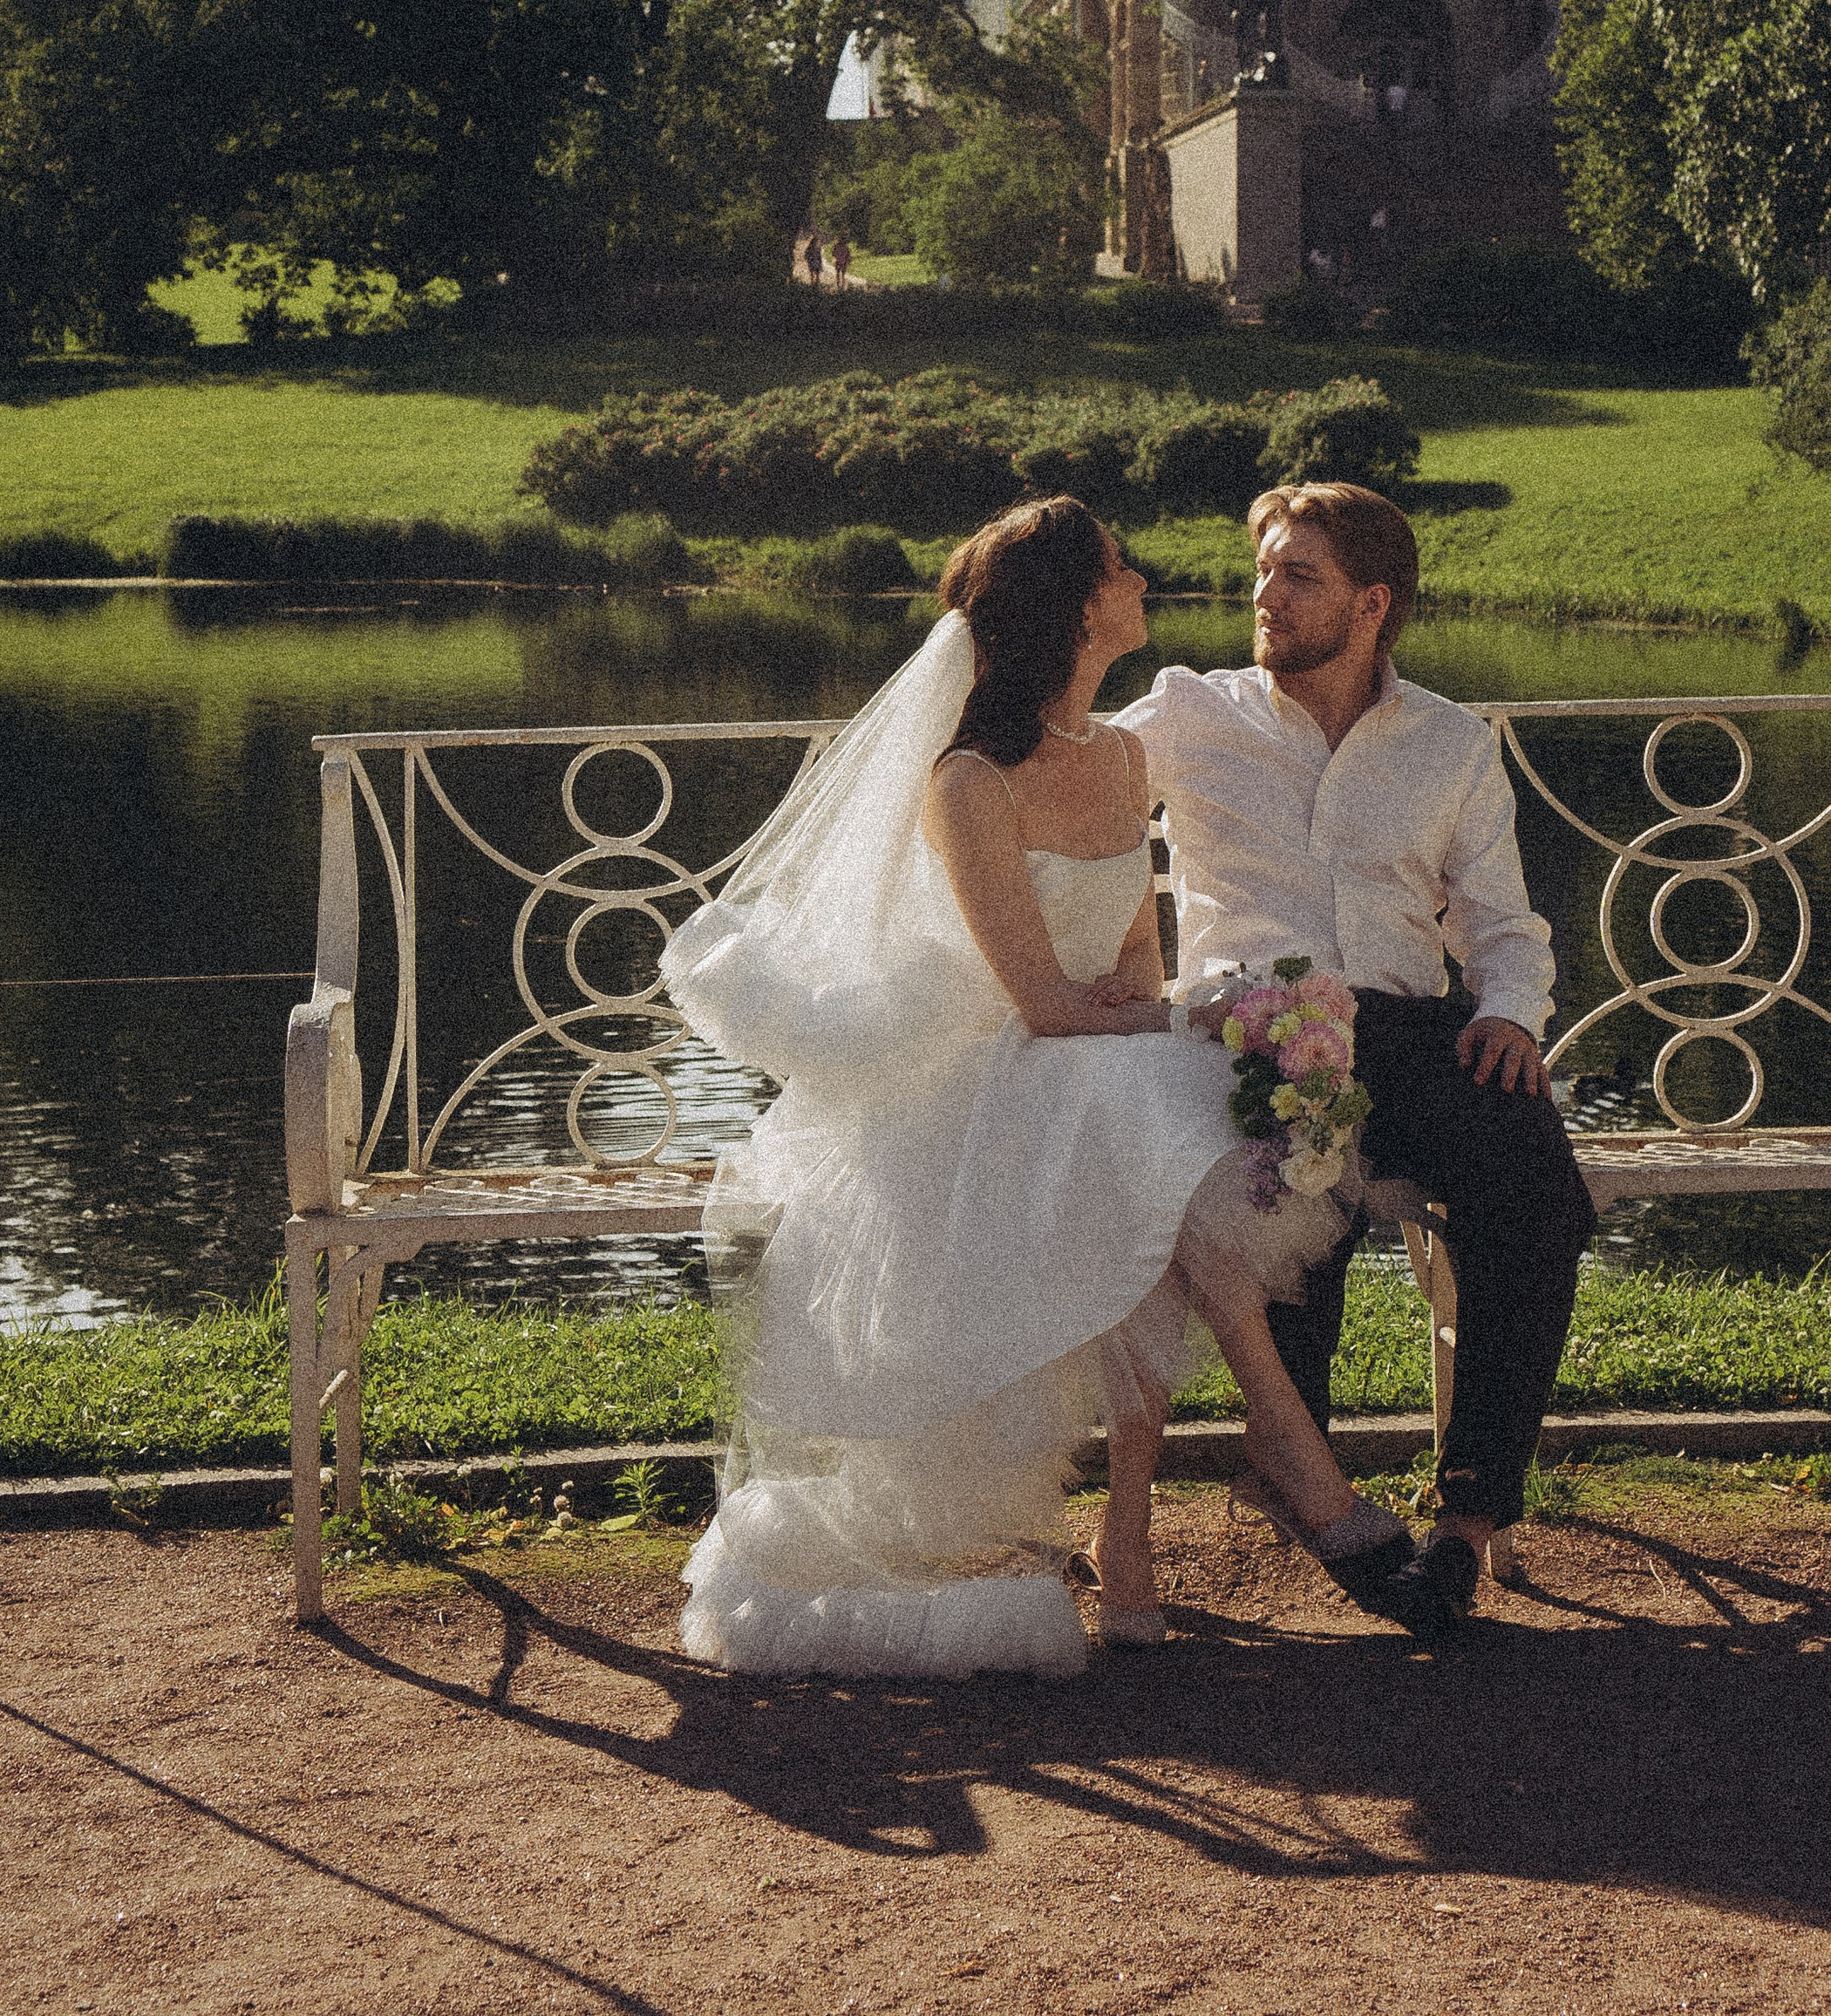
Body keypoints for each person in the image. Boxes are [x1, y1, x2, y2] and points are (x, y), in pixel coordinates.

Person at [659, 496, 1433, 1679]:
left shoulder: (1124, 757)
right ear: (1079, 607)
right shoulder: (969, 779)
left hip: (1089, 1067)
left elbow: (1130, 969)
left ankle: (1146, 1536)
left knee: (1164, 1129)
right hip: (973, 1080)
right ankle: (1296, 1481)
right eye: (1119, 569)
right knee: (1156, 1133)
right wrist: (1192, 1017)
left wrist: (1180, 1014)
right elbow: (1039, 1001)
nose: (1140, 580)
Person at [1112, 482, 1598, 1624]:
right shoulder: (1192, 711)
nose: (1264, 597)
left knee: (1537, 1190)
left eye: (1299, 577)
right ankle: (1298, 1470)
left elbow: (1502, 922)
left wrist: (1510, 1015)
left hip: (1415, 1030)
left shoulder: (1450, 743)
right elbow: (1067, 795)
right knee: (1288, 1180)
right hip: (1251, 1029)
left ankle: (1468, 1518)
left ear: (1374, 603)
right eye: (1263, 571)